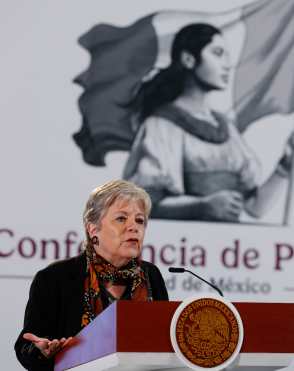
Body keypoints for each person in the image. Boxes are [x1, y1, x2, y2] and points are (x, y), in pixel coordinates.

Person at [123, 23, 294, 222]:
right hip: (184, 247)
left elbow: (255, 208)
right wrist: (202, 206)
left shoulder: (226, 127)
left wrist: (285, 165)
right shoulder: (161, 125)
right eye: (218, 53)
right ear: (188, 59)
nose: (227, 64)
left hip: (230, 248)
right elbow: (143, 204)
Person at [15, 180, 168, 371]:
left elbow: (163, 346)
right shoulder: (55, 278)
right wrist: (41, 350)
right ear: (93, 229)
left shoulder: (151, 275)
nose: (134, 227)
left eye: (140, 220)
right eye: (121, 218)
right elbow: (26, 345)